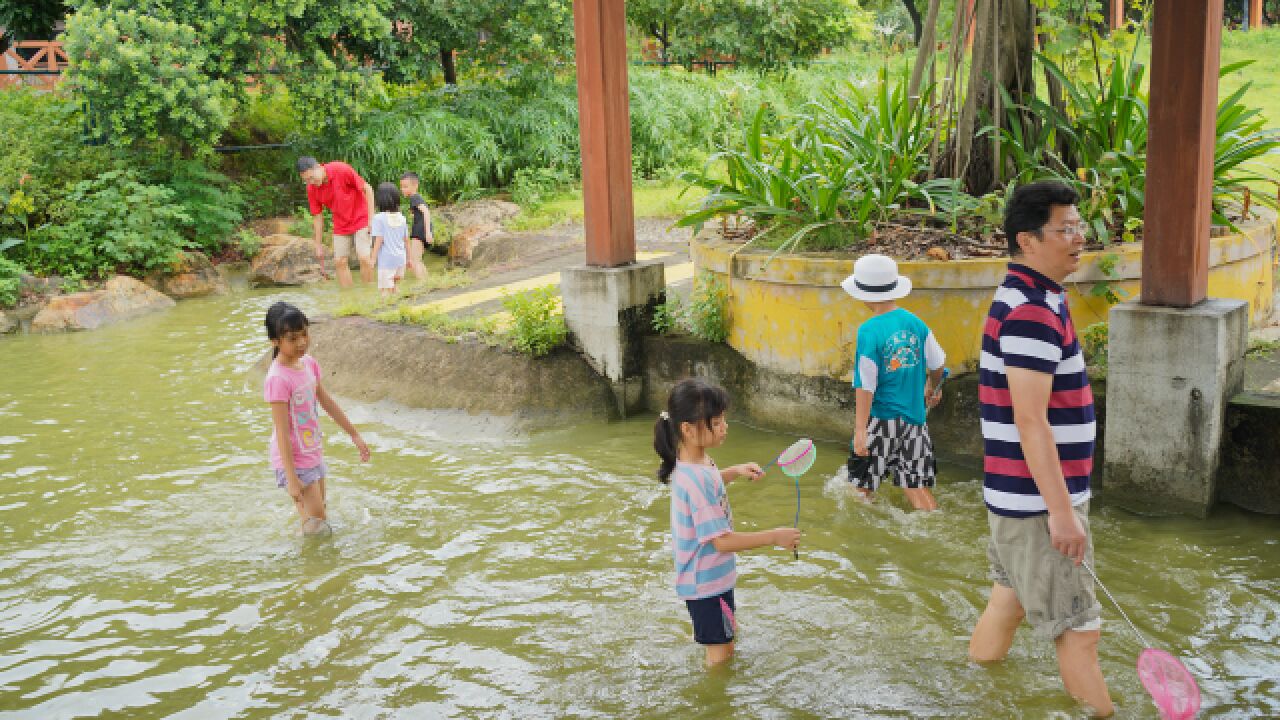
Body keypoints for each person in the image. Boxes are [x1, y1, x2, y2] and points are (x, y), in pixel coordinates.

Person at [968, 180, 1113, 717]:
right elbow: (1031, 421)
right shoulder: (1031, 309)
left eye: (1080, 227)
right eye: (1065, 230)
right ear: (1028, 240)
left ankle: (975, 695)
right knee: (1079, 633)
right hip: (1036, 503)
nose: (1078, 239)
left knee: (1006, 604)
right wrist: (1061, 513)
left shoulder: (1036, 294)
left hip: (1016, 498)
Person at [654, 377, 801, 667]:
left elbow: (708, 490)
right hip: (705, 584)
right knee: (721, 657)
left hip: (710, 579)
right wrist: (774, 537)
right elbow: (721, 541)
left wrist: (733, 472)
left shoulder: (697, 463)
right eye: (717, 422)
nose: (725, 427)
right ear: (688, 429)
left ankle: (704, 637)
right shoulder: (695, 478)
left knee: (726, 639)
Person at [841, 253, 945, 511]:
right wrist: (933, 386)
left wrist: (860, 430)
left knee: (861, 485)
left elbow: (865, 383)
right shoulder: (916, 324)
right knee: (914, 484)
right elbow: (938, 363)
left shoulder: (869, 330)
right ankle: (932, 521)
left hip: (882, 419)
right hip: (915, 422)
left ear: (863, 294)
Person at [263, 301, 370, 534]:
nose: (302, 343)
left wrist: (355, 435)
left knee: (321, 512)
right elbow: (281, 431)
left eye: (304, 334)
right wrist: (291, 479)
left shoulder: (308, 364)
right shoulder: (278, 379)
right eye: (292, 339)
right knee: (318, 519)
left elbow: (327, 402)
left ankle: (303, 534)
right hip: (293, 457)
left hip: (312, 450)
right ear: (275, 342)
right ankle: (306, 561)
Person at [297, 156, 377, 288]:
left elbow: (367, 189)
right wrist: (318, 245)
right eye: (306, 180)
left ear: (318, 167)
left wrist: (371, 219)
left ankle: (367, 292)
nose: (310, 182)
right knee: (339, 261)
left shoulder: (340, 169)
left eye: (311, 177)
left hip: (360, 218)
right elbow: (317, 217)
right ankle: (349, 298)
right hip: (340, 224)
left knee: (363, 257)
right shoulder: (311, 188)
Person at [370, 182, 409, 297]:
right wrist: (409, 259)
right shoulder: (402, 217)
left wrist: (372, 259)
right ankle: (401, 306)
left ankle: (386, 311)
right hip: (400, 259)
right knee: (394, 287)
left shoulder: (378, 218)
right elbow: (406, 240)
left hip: (387, 261)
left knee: (384, 290)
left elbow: (379, 240)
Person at [398, 172, 434, 278]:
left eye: (405, 186)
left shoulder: (415, 197)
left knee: (414, 261)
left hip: (420, 231)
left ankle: (421, 284)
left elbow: (426, 212)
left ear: (415, 185)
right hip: (421, 230)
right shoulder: (415, 198)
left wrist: (428, 232)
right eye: (401, 187)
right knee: (418, 260)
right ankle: (426, 281)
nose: (402, 189)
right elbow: (421, 214)